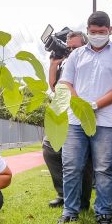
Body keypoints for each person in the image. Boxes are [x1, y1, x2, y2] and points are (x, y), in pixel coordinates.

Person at [58, 11, 112, 224]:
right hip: (75, 121)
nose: (97, 35)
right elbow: (65, 82)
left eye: (101, 32)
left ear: (110, 31)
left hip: (107, 122)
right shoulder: (76, 55)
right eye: (93, 32)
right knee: (71, 167)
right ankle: (70, 211)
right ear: (87, 30)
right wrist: (80, 105)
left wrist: (95, 105)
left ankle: (104, 213)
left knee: (104, 169)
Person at [43, 31, 92, 209]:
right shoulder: (66, 64)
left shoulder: (89, 62)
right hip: (64, 113)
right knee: (50, 148)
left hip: (83, 114)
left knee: (84, 159)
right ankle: (63, 194)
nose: (70, 51)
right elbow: (55, 89)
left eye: (75, 48)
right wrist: (53, 65)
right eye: (68, 47)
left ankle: (83, 200)